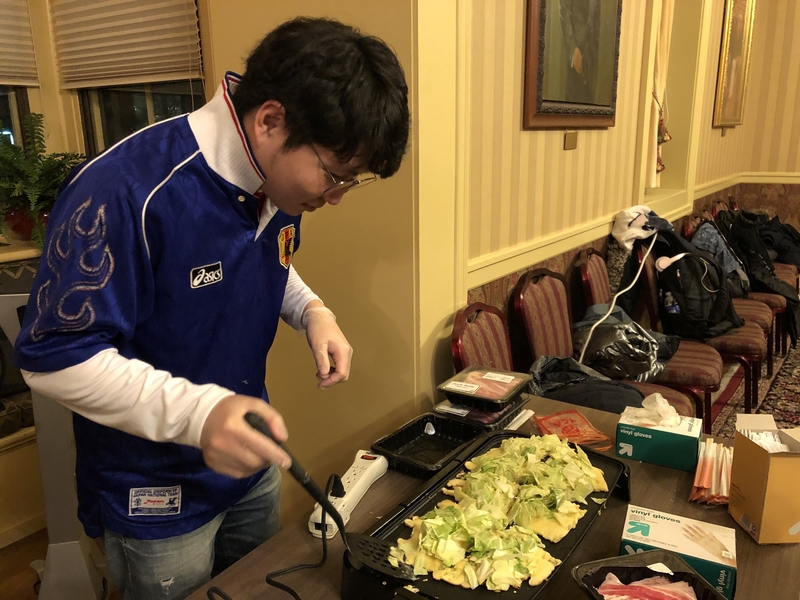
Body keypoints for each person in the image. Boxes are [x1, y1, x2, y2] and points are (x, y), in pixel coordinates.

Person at [14, 17, 409, 600]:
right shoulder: (124, 190)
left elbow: (260, 257)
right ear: (271, 120)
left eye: (352, 181)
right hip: (154, 494)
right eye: (334, 175)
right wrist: (201, 415)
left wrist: (311, 309)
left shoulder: (276, 180)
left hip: (250, 467)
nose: (335, 198)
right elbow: (51, 356)